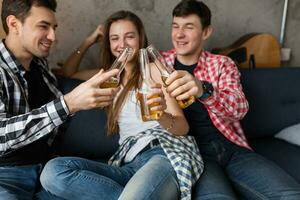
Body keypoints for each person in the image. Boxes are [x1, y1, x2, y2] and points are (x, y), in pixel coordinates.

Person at [40, 10, 202, 200]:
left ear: (140, 39)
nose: (122, 44)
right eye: (115, 38)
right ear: (109, 44)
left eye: (129, 37)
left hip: (162, 153)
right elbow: (68, 72)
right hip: (127, 164)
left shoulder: (152, 70)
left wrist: (161, 116)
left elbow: (183, 127)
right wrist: (89, 40)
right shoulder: (109, 77)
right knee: (53, 172)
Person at [161, 0, 300, 199]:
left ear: (206, 32)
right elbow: (121, 67)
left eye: (188, 27)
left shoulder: (221, 64)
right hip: (194, 153)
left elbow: (239, 109)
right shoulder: (159, 63)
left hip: (231, 147)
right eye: (175, 26)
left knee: (292, 195)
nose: (179, 34)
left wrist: (203, 89)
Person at [0, 0, 119, 199]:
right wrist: (68, 104)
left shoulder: (41, 67)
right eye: (43, 26)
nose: (53, 36)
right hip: (6, 176)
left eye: (54, 27)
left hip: (47, 173)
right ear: (14, 24)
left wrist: (88, 42)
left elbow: (67, 73)